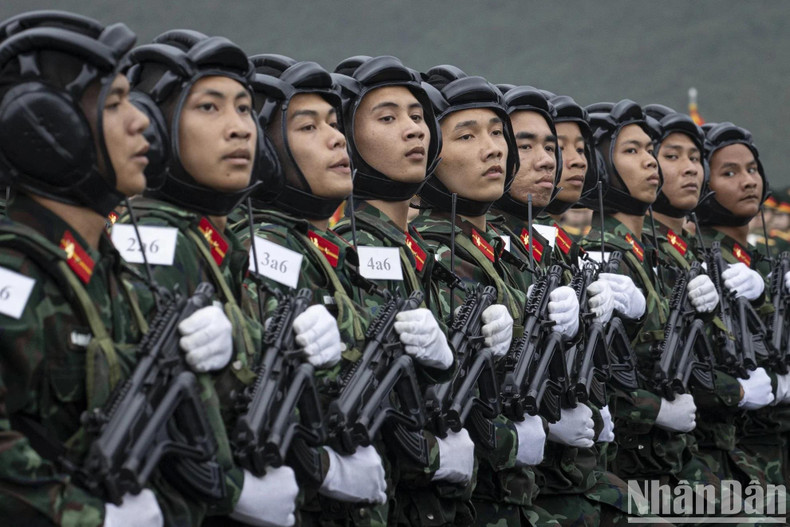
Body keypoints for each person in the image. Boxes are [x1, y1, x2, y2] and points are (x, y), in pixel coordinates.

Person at [0, 11, 228, 526]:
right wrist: (85, 517)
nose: (142, 121)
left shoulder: (111, 271)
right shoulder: (13, 272)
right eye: (115, 102)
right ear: (46, 124)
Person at [122, 31, 313, 526]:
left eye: (244, 108)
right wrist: (231, 492)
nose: (240, 129)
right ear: (155, 130)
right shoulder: (158, 242)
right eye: (209, 108)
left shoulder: (214, 239)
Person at [232, 57, 390, 526]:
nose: (337, 138)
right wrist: (322, 467)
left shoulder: (317, 245)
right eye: (307, 127)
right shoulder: (265, 248)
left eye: (335, 123)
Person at [413, 70, 559, 527]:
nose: (494, 147)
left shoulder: (504, 243)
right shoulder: (429, 250)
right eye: (467, 135)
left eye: (498, 133)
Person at [331, 55, 473, 527]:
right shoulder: (353, 249)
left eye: (417, 117)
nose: (414, 130)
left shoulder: (409, 249)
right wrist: (435, 455)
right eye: (387, 118)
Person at [578, 100, 729, 520]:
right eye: (630, 152)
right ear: (601, 167)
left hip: (670, 459)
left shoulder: (647, 252)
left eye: (648, 150)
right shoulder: (601, 255)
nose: (649, 162)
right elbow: (597, 378)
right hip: (632, 463)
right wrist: (657, 409)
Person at [694, 121, 790, 491]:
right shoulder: (703, 260)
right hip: (732, 451)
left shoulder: (756, 259)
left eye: (752, 170)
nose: (748, 182)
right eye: (729, 173)